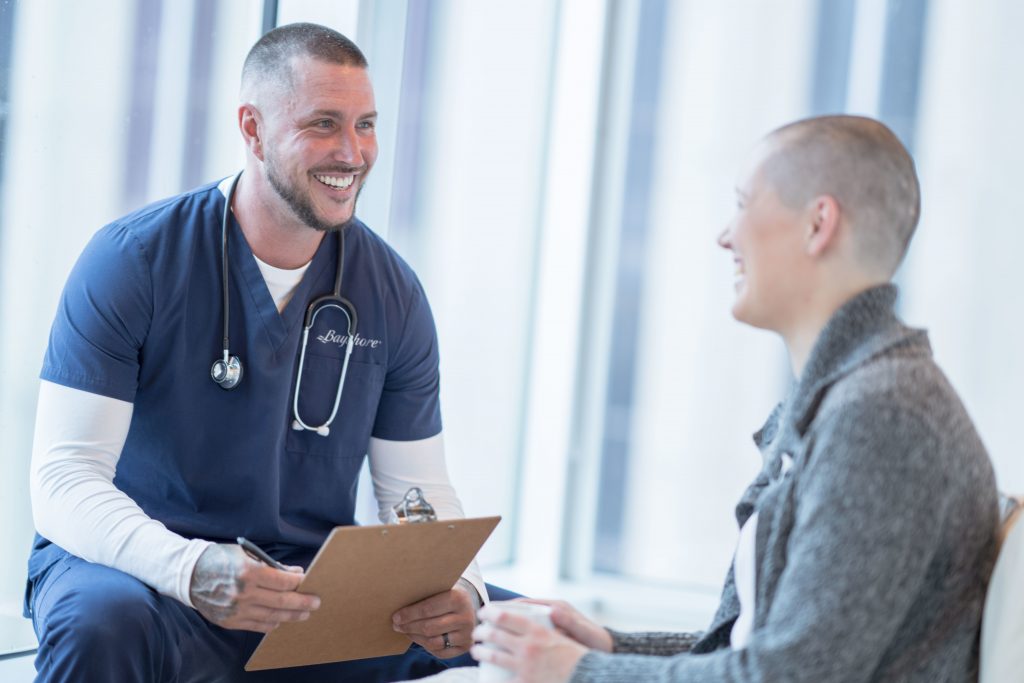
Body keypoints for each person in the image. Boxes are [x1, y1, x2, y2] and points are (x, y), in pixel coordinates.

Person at [25, 23, 510, 682]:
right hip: (142, 572)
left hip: (300, 590)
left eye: (366, 125)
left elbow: (416, 490)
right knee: (101, 625)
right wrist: (190, 568)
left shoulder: (390, 291)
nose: (352, 152)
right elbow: (63, 479)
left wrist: (463, 590)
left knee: (534, 632)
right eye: (323, 124)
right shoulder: (134, 260)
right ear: (251, 129)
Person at [471, 115, 1001, 682]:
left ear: (818, 223)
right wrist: (605, 646)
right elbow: (770, 646)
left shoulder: (882, 417)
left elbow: (792, 675)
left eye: (744, 203)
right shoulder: (858, 397)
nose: (726, 235)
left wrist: (583, 672)